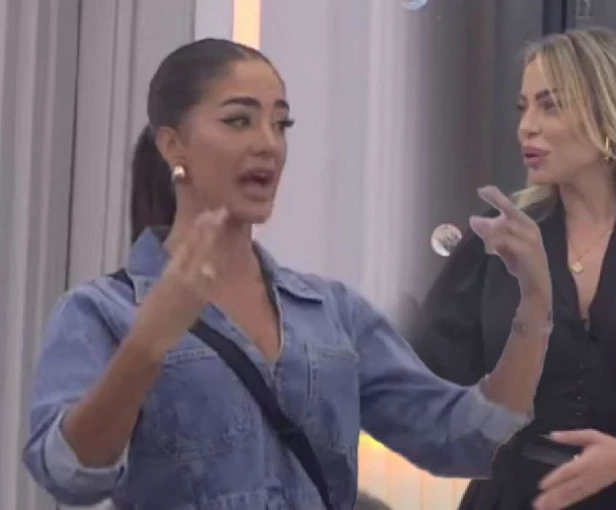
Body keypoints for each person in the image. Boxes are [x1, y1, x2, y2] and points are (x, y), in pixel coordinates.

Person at [22, 39, 553, 510]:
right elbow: (68, 475)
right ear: (172, 144)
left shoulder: (332, 312)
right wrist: (146, 345)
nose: (268, 143)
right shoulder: (101, 311)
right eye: (239, 120)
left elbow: (462, 439)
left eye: (281, 124)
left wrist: (535, 306)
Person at [410, 26, 616, 510]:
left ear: (609, 115)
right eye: (523, 107)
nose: (527, 126)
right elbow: (424, 375)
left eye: (550, 106)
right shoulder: (502, 238)